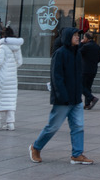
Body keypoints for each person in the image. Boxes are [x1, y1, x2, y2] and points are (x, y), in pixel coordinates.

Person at [29, 27, 93, 165]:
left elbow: (78, 77)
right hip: (63, 99)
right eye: (75, 35)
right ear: (68, 37)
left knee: (78, 126)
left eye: (78, 35)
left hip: (76, 99)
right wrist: (62, 96)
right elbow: (56, 77)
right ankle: (36, 147)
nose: (78, 37)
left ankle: (77, 154)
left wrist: (83, 93)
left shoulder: (77, 53)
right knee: (53, 126)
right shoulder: (60, 53)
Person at [0, 27, 24, 130]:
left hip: (1, 76)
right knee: (10, 99)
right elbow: (19, 62)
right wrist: (12, 68)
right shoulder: (17, 46)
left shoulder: (3, 46)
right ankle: (10, 123)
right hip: (12, 77)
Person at [79, 31, 100, 110]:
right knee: (88, 86)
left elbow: (77, 52)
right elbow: (98, 59)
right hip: (93, 69)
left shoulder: (85, 46)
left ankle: (92, 98)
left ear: (87, 38)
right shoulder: (97, 46)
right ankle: (87, 104)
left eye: (84, 37)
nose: (83, 39)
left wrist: (81, 43)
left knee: (81, 86)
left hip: (85, 69)